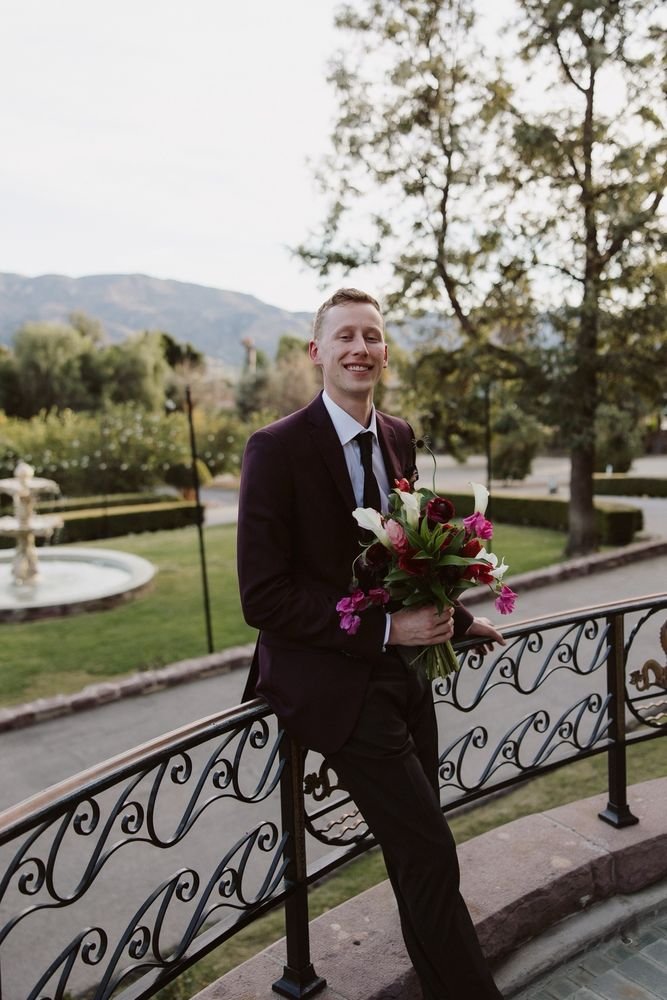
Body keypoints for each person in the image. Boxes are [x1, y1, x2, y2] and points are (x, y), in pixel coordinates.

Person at [237, 288, 505, 999]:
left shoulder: (397, 435)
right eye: (345, 336)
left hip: (404, 673)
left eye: (373, 336)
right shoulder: (274, 448)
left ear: (385, 352)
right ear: (315, 352)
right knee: (426, 848)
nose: (360, 348)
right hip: (329, 685)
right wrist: (387, 628)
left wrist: (452, 614)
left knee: (420, 856)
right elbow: (260, 598)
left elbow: (402, 553)